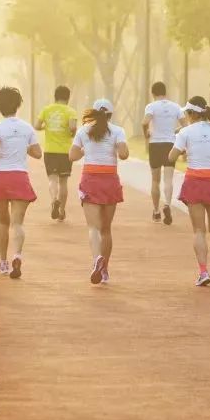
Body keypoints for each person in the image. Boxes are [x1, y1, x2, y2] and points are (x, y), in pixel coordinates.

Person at [168, 96, 210, 287]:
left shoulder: (185, 132)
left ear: (190, 114)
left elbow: (171, 156)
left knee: (199, 230)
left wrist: (183, 147)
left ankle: (204, 272)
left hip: (194, 181)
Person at [69, 98, 128, 285]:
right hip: (110, 179)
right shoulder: (118, 131)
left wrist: (87, 149)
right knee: (106, 229)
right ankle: (105, 270)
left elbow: (72, 156)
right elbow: (124, 154)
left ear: (93, 113)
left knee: (93, 227)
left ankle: (96, 259)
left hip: (90, 179)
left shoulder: (83, 131)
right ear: (110, 114)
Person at [0, 86, 42, 279]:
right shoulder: (27, 128)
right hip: (19, 176)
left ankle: (3, 262)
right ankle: (17, 255)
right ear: (18, 105)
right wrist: (21, 147)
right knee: (17, 223)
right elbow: (37, 153)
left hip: (1, 176)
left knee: (3, 221)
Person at [142, 81, 185, 225]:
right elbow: (185, 125)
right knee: (168, 178)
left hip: (155, 144)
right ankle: (167, 204)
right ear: (165, 92)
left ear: (153, 93)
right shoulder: (176, 107)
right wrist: (175, 132)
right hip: (170, 144)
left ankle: (156, 212)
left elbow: (144, 122)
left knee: (155, 180)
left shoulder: (151, 106)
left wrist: (146, 133)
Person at [36, 85, 78, 221]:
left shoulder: (47, 110)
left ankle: (54, 199)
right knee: (63, 182)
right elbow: (72, 127)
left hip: (50, 150)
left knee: (52, 179)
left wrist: (46, 127)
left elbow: (36, 126)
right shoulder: (71, 111)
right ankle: (61, 211)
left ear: (55, 96)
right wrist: (72, 133)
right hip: (66, 151)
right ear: (68, 98)